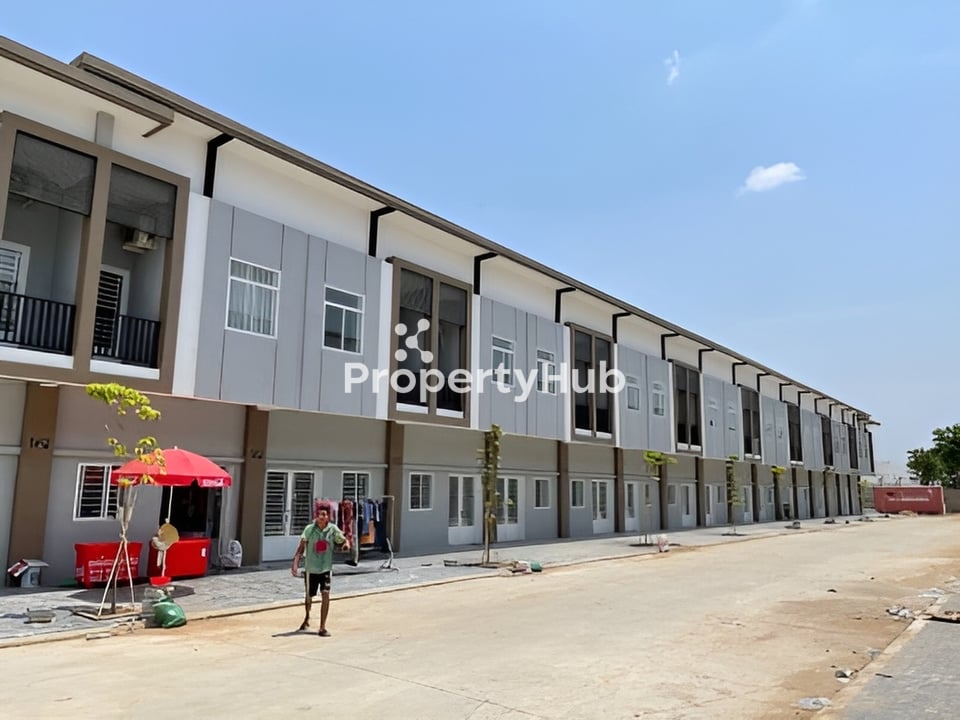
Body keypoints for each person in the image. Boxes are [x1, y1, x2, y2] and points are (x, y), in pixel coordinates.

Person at [291, 506, 350, 637]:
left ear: (328, 516)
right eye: (320, 514)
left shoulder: (332, 529)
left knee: (325, 594)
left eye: (325, 514)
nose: (322, 517)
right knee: (309, 596)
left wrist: (346, 544)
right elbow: (301, 547)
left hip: (325, 568)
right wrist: (295, 563)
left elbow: (342, 539)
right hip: (311, 569)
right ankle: (307, 616)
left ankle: (322, 627)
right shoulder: (309, 529)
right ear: (316, 516)